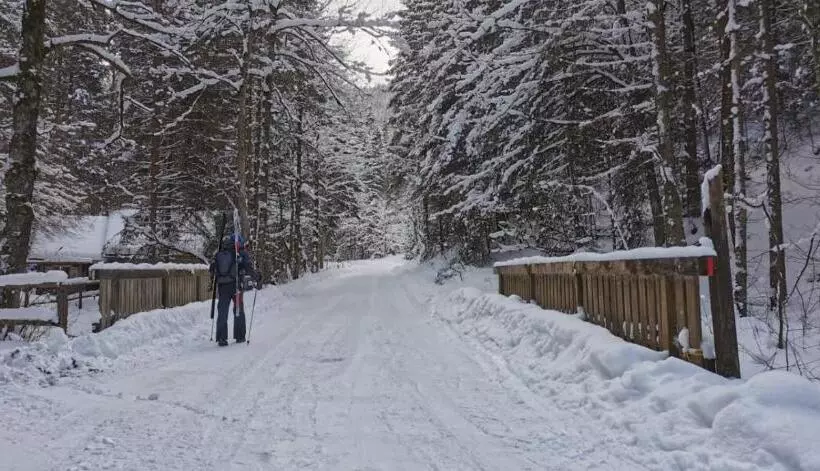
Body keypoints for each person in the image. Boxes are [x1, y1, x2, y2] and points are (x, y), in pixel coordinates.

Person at [210, 234, 257, 346]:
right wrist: (257, 278)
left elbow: (212, 269)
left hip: (222, 287)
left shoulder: (220, 254)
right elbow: (248, 267)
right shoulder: (240, 253)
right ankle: (240, 336)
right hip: (236, 286)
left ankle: (222, 338)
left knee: (222, 312)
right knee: (238, 310)